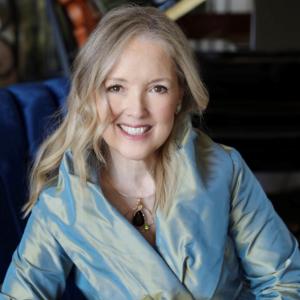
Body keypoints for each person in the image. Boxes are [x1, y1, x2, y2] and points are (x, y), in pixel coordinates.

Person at [1, 4, 300, 300]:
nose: (136, 110)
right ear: (90, 93)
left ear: (180, 94)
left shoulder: (225, 169)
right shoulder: (61, 203)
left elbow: (284, 282)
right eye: (116, 88)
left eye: (157, 88)